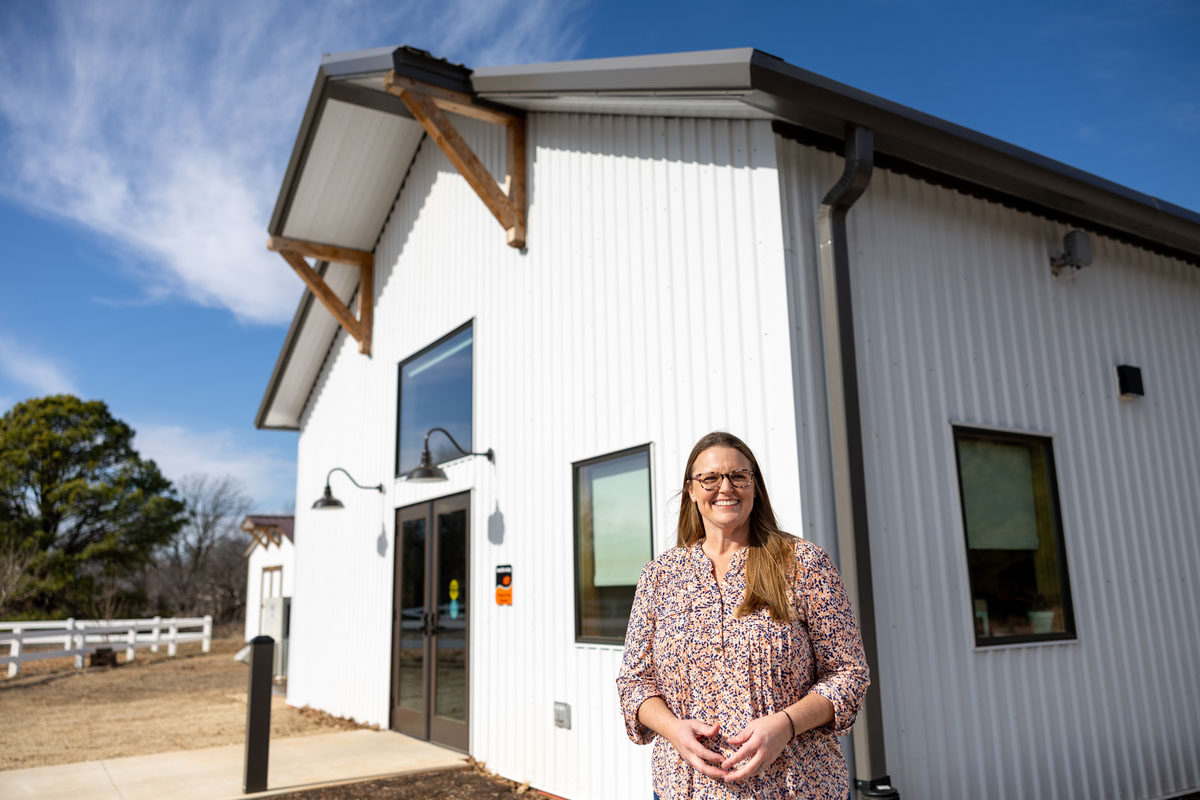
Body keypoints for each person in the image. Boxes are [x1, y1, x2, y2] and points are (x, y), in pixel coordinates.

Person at [617, 431, 869, 799]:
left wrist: (785, 725)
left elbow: (849, 672)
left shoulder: (802, 563)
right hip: (686, 789)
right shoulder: (659, 576)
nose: (726, 488)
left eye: (739, 476)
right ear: (691, 489)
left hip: (797, 787)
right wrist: (672, 729)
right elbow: (634, 683)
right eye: (710, 478)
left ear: (755, 486)